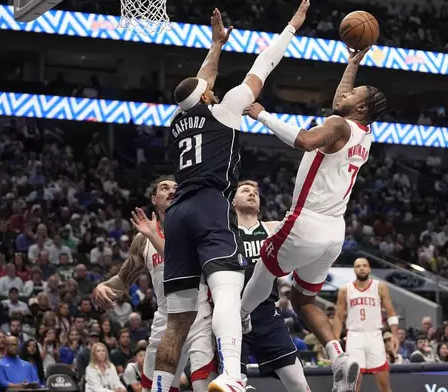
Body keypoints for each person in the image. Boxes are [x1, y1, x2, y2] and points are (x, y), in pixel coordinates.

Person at [157, 2, 309, 391]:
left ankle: (158, 387)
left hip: (177, 213)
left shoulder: (175, 124)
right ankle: (232, 374)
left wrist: (216, 46)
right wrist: (291, 26)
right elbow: (263, 66)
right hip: (210, 204)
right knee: (227, 287)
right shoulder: (225, 110)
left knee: (177, 320)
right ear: (208, 96)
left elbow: (198, 85)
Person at [241, 43, 387, 392]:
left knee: (264, 263)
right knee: (303, 300)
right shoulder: (363, 134)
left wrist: (261, 114)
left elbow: (306, 140)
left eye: (355, 92)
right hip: (335, 233)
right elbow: (341, 103)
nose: (347, 92)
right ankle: (339, 356)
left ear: (361, 106)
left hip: (306, 221)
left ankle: (240, 318)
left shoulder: (337, 125)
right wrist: (352, 63)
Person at [94, 177, 216, 392]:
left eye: (176, 188)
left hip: (199, 314)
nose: (171, 191)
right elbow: (123, 280)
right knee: (154, 389)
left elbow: (185, 263)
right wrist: (103, 286)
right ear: (154, 199)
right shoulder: (142, 240)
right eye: (164, 188)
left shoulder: (196, 227)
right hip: (166, 317)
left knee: (203, 385)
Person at [233, 180, 310, 392]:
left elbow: (303, 225)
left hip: (266, 314)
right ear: (232, 201)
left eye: (255, 193)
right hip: (230, 315)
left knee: (298, 383)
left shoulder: (272, 228)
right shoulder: (223, 231)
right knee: (232, 384)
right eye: (245, 191)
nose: (252, 194)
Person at [332, 258, 399, 392]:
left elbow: (391, 313)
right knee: (354, 383)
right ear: (354, 270)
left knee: (384, 382)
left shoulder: (380, 287)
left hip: (375, 335)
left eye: (364, 266)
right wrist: (335, 340)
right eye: (358, 266)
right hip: (354, 337)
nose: (361, 268)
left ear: (369, 269)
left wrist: (395, 335)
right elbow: (338, 317)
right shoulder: (345, 290)